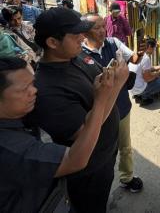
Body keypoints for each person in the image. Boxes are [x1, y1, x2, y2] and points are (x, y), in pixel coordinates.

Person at [29, 7, 129, 213]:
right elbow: (84, 134)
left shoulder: (76, 55)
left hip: (106, 153)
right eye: (75, 34)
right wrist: (117, 85)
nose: (82, 37)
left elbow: (100, 94)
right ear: (52, 42)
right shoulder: (47, 89)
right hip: (89, 169)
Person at [0, 56, 122, 213]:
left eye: (32, 83)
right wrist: (101, 100)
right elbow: (74, 159)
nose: (34, 90)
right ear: (53, 41)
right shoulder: (10, 147)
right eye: (24, 89)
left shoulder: (17, 116)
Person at [82, 14, 144, 193]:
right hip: (98, 114)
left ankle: (127, 177)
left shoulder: (113, 43)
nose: (102, 31)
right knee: (101, 151)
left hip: (122, 106)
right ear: (85, 32)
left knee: (125, 146)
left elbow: (133, 59)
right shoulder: (79, 54)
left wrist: (139, 53)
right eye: (97, 28)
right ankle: (98, 186)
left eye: (103, 26)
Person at [130, 37, 160, 106]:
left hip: (132, 88)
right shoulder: (146, 58)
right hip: (139, 88)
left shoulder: (136, 53)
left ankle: (137, 95)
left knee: (154, 76)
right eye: (154, 48)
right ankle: (144, 97)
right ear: (150, 47)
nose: (154, 51)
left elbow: (148, 69)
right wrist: (159, 72)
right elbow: (147, 78)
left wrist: (159, 67)